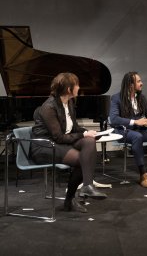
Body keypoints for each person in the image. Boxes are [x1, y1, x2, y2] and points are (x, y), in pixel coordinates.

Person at [31, 72, 107, 213]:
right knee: (81, 160)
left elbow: (74, 128)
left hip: (60, 143)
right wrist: (83, 134)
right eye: (77, 85)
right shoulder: (48, 107)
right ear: (68, 89)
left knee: (89, 141)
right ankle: (70, 200)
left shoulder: (69, 102)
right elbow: (58, 137)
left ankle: (87, 186)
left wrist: (91, 133)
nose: (79, 87)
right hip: (45, 146)